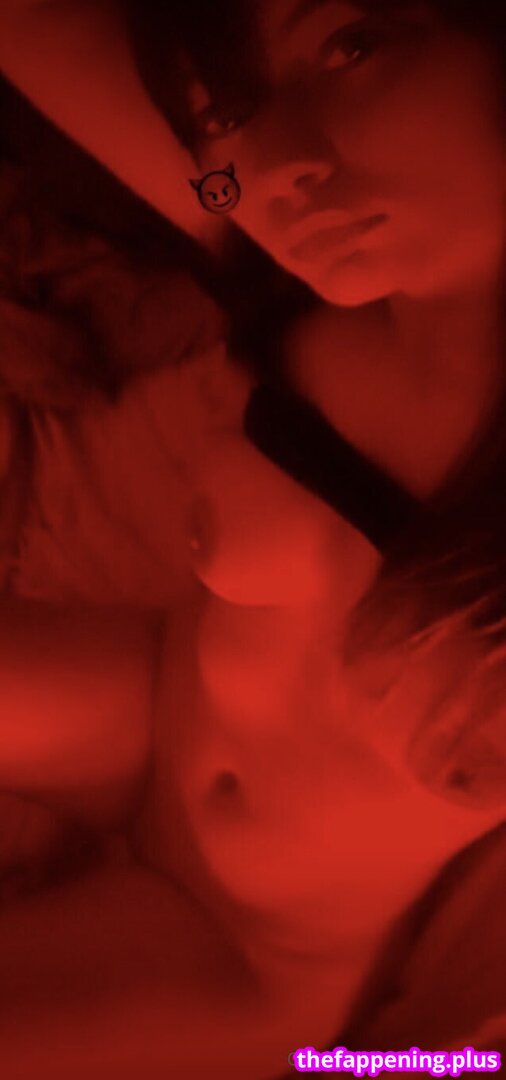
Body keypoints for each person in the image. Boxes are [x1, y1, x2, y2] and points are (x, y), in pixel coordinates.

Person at [0, 1, 504, 1076]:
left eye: (351, 46)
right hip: (143, 714)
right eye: (224, 115)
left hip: (242, 955)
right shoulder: (289, 260)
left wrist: (416, 1063)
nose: (274, 166)